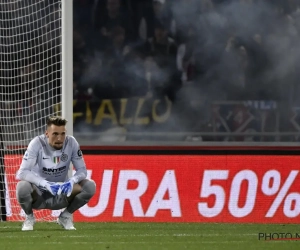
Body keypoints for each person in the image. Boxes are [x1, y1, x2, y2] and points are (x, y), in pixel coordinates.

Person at [15, 116, 96, 231]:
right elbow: (22, 173)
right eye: (55, 134)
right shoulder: (37, 143)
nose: (59, 138)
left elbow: (82, 170)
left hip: (62, 193)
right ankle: (29, 217)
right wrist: (45, 183)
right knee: (22, 187)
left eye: (63, 134)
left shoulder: (71, 143)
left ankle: (66, 216)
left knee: (90, 186)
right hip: (39, 195)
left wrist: (71, 181)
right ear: (47, 133)